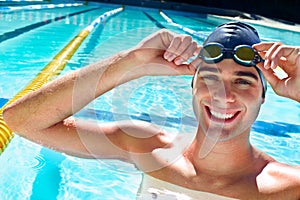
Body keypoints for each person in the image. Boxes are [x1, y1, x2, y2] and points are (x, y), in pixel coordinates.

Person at [3, 21, 300, 199]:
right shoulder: (146, 146)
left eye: (242, 81)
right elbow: (21, 120)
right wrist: (132, 62)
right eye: (210, 78)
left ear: (263, 95)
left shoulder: (288, 187)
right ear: (193, 87)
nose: (224, 95)